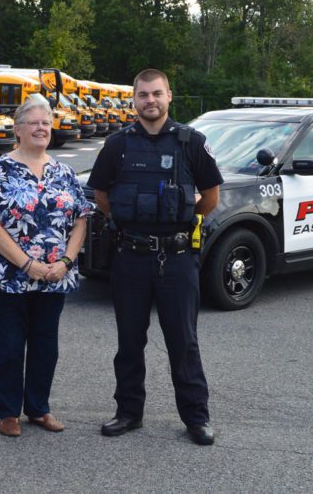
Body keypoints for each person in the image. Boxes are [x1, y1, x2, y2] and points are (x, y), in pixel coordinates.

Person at [87, 69, 223, 446]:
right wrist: (129, 223)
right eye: (143, 95)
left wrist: (180, 220)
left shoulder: (191, 142)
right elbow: (101, 195)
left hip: (177, 260)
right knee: (129, 341)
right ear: (134, 100)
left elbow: (210, 195)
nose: (150, 101)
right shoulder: (117, 145)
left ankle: (197, 418)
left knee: (184, 341)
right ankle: (129, 412)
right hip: (130, 256)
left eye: (157, 94)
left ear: (169, 96)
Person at [0, 99, 91, 437]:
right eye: (34, 122)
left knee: (45, 345)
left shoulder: (65, 172)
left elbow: (80, 221)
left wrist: (65, 262)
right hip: (9, 276)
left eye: (46, 123)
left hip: (54, 277)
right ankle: (8, 412)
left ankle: (38, 408)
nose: (41, 128)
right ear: (18, 129)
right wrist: (27, 264)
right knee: (9, 345)